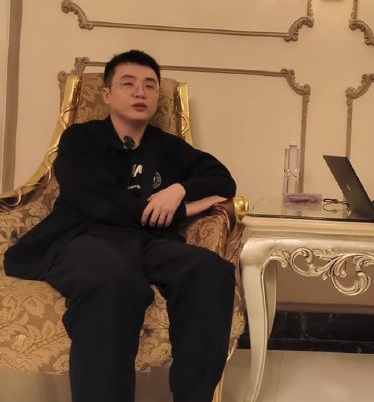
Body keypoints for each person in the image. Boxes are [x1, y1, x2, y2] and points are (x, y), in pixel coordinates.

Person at [4, 50, 237, 402]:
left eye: (150, 86)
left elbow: (222, 179)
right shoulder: (80, 139)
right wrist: (180, 211)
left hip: (147, 243)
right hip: (82, 238)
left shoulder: (168, 146)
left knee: (211, 270)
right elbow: (96, 201)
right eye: (128, 84)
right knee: (113, 283)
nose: (140, 92)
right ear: (107, 94)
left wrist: (178, 190)